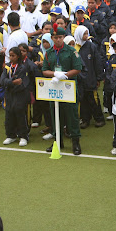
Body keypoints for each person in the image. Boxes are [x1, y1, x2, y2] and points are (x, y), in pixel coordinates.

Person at [42, 24, 82, 155]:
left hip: (68, 87)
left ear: (63, 37)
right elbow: (44, 70)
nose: (58, 40)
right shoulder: (48, 53)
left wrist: (64, 75)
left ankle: (75, 142)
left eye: (60, 37)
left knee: (72, 115)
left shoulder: (71, 51)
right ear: (52, 38)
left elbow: (77, 68)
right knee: (55, 114)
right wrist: (54, 74)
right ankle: (57, 141)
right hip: (54, 87)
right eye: (55, 37)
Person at [74, 25, 105, 129]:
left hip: (91, 78)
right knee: (83, 101)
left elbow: (97, 62)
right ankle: (85, 119)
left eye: (87, 33)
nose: (86, 36)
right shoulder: (75, 47)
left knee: (94, 99)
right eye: (84, 34)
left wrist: (99, 77)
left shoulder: (91, 46)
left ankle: (99, 118)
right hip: (80, 79)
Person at [0, 47, 30, 146]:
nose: (11, 58)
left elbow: (21, 82)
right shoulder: (7, 66)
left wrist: (9, 84)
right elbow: (2, 81)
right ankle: (10, 135)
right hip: (9, 94)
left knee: (20, 114)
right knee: (9, 114)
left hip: (20, 94)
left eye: (13, 56)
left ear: (18, 56)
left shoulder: (23, 67)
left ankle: (23, 136)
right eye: (10, 55)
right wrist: (12, 82)